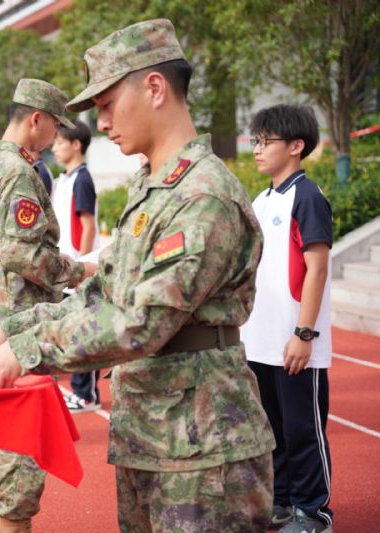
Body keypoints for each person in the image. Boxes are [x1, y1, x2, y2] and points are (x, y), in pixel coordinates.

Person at [0, 20, 276, 532]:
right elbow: (103, 289)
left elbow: (141, 320)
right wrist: (11, 328)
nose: (102, 121)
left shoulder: (201, 195)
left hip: (203, 446)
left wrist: (26, 350)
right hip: (154, 431)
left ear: (154, 88)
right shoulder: (152, 186)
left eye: (108, 104)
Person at [0, 78, 96, 533]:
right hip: (18, 312)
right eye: (55, 125)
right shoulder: (20, 173)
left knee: (6, 428)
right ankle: (12, 522)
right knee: (20, 436)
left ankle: (7, 517)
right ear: (36, 119)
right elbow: (24, 254)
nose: (56, 135)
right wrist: (79, 271)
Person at [241, 105, 333, 533]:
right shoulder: (261, 200)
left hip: (295, 338)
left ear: (296, 146)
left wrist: (304, 333)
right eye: (256, 141)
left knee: (302, 430)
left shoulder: (308, 197)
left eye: (266, 141)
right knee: (272, 429)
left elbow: (317, 268)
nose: (257, 149)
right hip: (259, 338)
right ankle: (282, 502)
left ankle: (314, 512)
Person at [50, 118, 102, 413]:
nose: (54, 147)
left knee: (84, 332)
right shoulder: (65, 179)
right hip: (66, 270)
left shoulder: (82, 179)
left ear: (76, 145)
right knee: (71, 331)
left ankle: (87, 394)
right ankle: (79, 390)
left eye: (60, 142)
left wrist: (81, 267)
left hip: (79, 271)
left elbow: (88, 225)